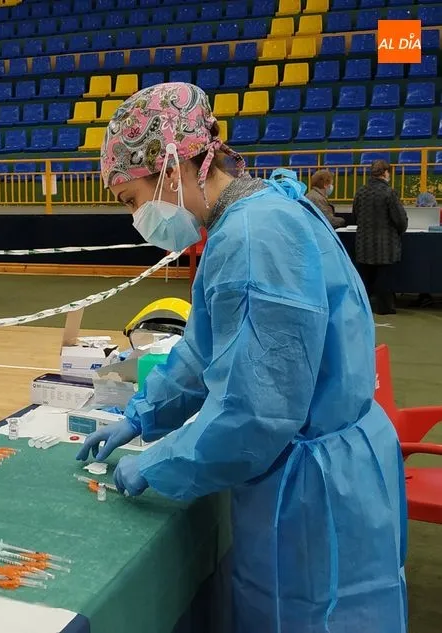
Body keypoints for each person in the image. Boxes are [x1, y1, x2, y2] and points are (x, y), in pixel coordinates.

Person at [78, 83, 406, 633]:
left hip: (314, 492)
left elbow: (255, 412)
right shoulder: (256, 214)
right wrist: (142, 414)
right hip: (337, 465)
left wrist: (156, 463)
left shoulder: (253, 238)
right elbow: (207, 349)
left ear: (169, 168)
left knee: (311, 617)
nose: (138, 217)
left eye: (133, 200)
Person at [352, 160, 408, 315]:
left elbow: (355, 215)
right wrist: (400, 230)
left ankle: (362, 309)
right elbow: (400, 219)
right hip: (385, 245)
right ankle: (384, 309)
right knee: (384, 278)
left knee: (365, 278)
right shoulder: (389, 193)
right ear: (385, 173)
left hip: (364, 244)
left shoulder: (361, 192)